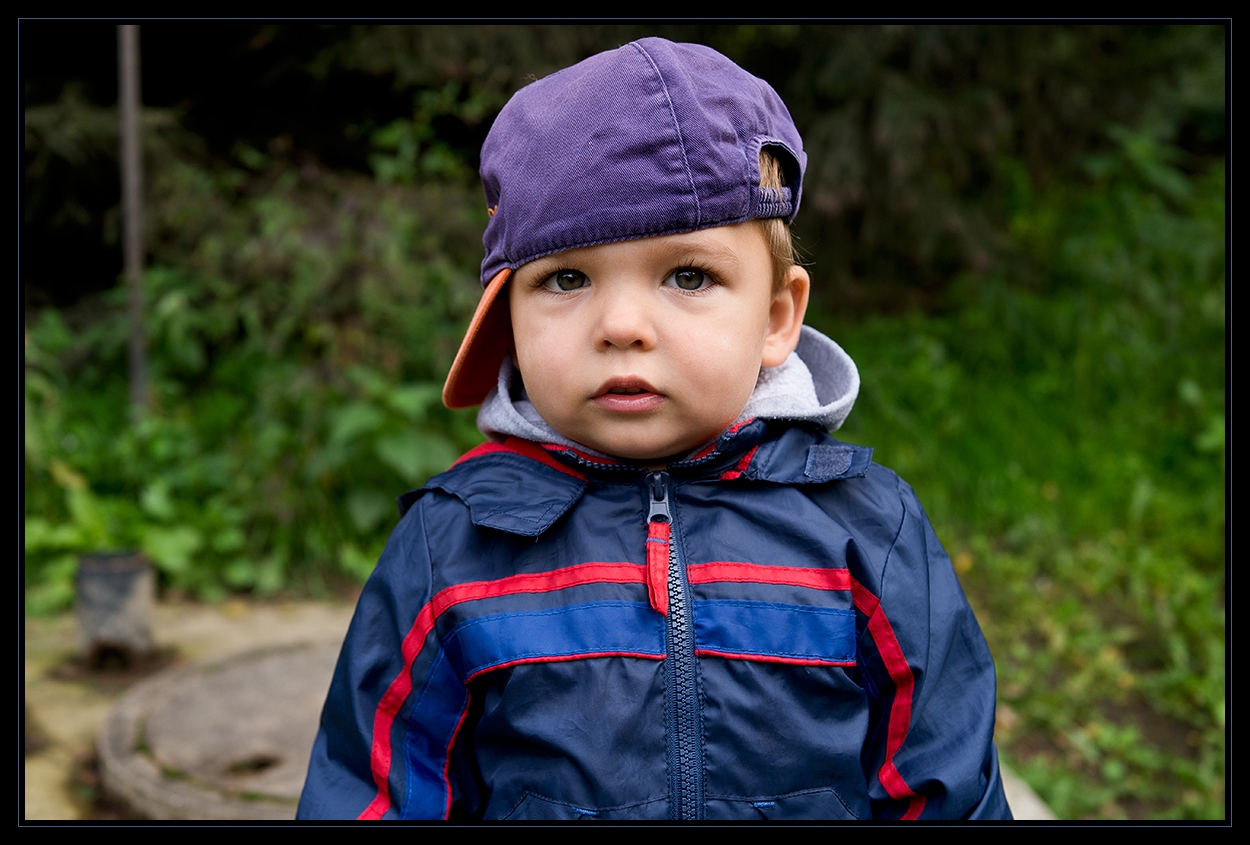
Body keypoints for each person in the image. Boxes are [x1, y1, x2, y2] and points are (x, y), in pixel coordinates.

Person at [297, 37, 1011, 821]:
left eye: (688, 275)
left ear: (776, 318)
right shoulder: (453, 547)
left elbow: (945, 786)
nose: (623, 325)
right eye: (567, 277)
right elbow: (370, 791)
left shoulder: (866, 530)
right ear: (508, 320)